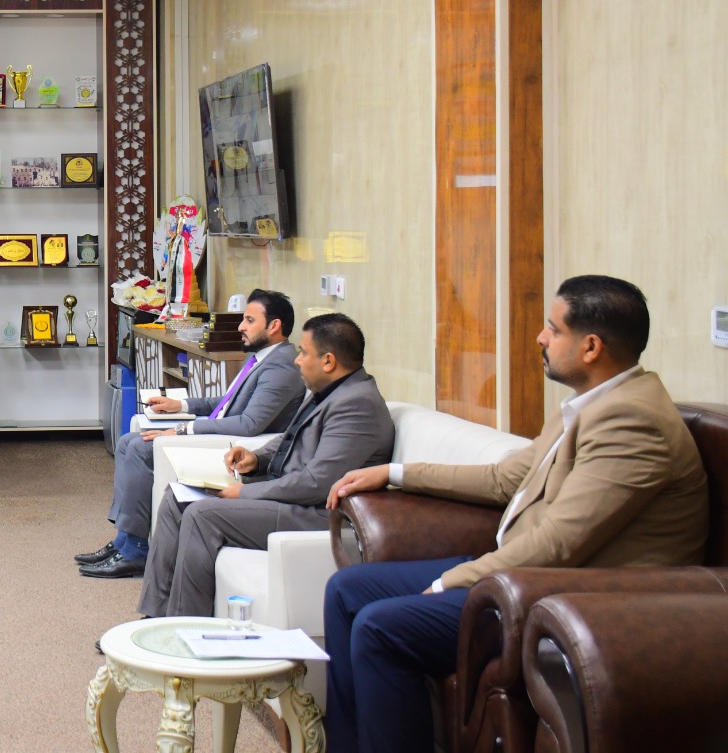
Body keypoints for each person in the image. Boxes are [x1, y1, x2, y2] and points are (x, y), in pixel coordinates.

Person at [322, 275, 708, 753]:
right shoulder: (591, 402)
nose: (541, 338)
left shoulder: (633, 422)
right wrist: (395, 472)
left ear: (591, 347)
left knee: (382, 627)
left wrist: (452, 580)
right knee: (346, 590)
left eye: (553, 329)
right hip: (518, 576)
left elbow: (559, 544)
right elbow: (506, 479)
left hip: (565, 596)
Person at [138, 312, 394, 618]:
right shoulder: (329, 391)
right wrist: (256, 457)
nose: (297, 360)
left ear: (328, 361)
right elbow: (289, 439)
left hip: (317, 514)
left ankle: (185, 626)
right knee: (177, 497)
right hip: (289, 496)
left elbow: (317, 484)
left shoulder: (357, 405)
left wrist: (244, 494)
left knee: (202, 514)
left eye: (303, 352)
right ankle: (154, 617)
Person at [77, 289, 307, 578]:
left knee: (139, 448)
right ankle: (124, 540)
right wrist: (182, 405)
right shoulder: (262, 358)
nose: (240, 327)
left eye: (249, 321)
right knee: (127, 442)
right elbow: (228, 403)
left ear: (274, 326)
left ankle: (135, 549)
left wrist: (183, 429)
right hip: (218, 434)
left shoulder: (281, 367)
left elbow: (249, 424)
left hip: (233, 448)